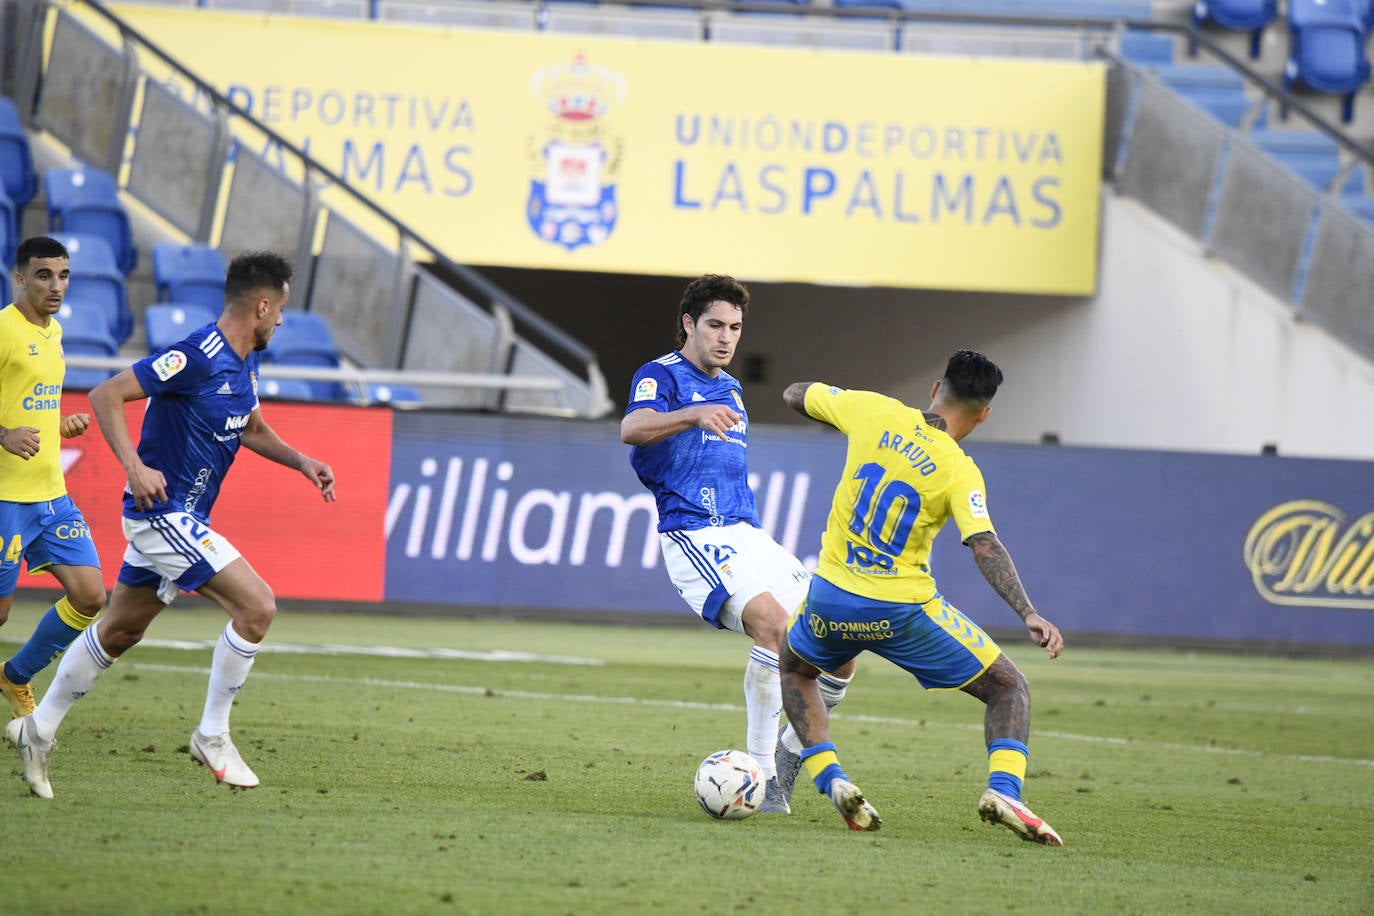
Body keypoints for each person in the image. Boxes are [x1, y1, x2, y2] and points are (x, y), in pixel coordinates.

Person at [5, 250, 336, 799]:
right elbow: (107, 395)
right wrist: (134, 468)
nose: (281, 320)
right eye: (279, 309)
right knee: (257, 607)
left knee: (120, 630)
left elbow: (248, 427)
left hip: (185, 517)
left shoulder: (245, 358)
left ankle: (38, 731)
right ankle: (212, 734)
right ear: (261, 305)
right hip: (162, 515)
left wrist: (302, 461)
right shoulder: (197, 356)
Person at [776, 350, 1065, 843]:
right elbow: (984, 544)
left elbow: (795, 393)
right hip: (901, 611)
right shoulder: (959, 469)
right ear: (985, 414)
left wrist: (831, 404)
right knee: (1007, 687)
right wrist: (1029, 612)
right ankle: (1005, 790)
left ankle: (832, 779)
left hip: (830, 597)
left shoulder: (871, 409)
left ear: (936, 388)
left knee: (795, 669)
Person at [620, 273, 854, 814]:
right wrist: (691, 414)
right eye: (715, 326)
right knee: (774, 627)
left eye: (735, 328)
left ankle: (786, 763)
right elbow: (632, 429)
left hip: (746, 533)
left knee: (840, 642)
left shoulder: (731, 387)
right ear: (688, 324)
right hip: (694, 534)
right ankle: (762, 776)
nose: (726, 338)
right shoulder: (661, 375)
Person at [0, 236, 107, 721]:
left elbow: (32, 400)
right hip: (6, 496)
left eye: (63, 275)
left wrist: (60, 425)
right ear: (20, 279)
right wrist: (3, 434)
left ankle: (14, 675)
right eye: (44, 275)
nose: (56, 285)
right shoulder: (3, 329)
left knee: (90, 596)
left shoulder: (54, 333)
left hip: (51, 495)